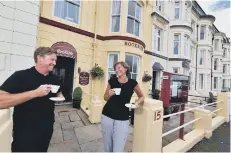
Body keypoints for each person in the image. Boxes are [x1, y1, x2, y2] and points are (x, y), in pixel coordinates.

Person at [0, 47, 64, 152]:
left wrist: (60, 97)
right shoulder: (21, 76)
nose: (54, 63)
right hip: (24, 131)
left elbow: (59, 92)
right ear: (40, 59)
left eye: (55, 60)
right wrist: (34, 93)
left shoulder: (55, 78)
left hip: (46, 128)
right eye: (52, 59)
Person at [102, 61, 145, 152]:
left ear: (125, 69)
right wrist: (109, 94)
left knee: (119, 146)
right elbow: (105, 98)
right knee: (107, 145)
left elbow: (142, 96)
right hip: (107, 115)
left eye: (119, 67)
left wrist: (136, 103)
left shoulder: (133, 83)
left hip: (123, 117)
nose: (117, 70)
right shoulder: (112, 81)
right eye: (115, 69)